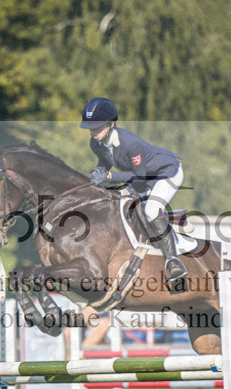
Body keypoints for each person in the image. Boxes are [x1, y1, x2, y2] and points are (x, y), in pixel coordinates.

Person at [80, 97, 188, 287]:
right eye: (91, 127)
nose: (93, 131)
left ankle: (173, 261)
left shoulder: (130, 143)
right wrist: (98, 171)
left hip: (166, 174)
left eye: (98, 126)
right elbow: (105, 161)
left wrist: (110, 178)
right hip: (141, 178)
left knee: (151, 210)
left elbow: (140, 178)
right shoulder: (95, 143)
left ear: (111, 124)